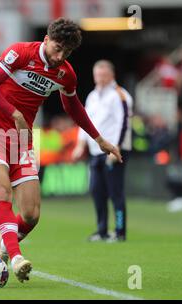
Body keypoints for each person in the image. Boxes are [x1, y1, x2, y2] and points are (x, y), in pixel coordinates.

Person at [0, 18, 122, 283]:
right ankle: (15, 256)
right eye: (57, 47)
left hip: (22, 142)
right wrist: (15, 113)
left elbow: (73, 107)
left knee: (31, 214)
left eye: (66, 52)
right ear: (46, 39)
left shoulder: (66, 73)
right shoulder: (20, 52)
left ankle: (4, 240)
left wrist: (98, 139)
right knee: (2, 191)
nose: (60, 55)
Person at [72, 60, 133, 242]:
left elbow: (124, 124)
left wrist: (117, 148)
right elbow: (85, 121)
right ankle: (102, 230)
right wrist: (80, 144)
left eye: (103, 74)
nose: (100, 78)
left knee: (115, 192)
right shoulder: (92, 96)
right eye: (97, 75)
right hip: (95, 151)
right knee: (97, 191)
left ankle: (120, 231)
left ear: (111, 75)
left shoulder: (119, 95)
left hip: (114, 151)